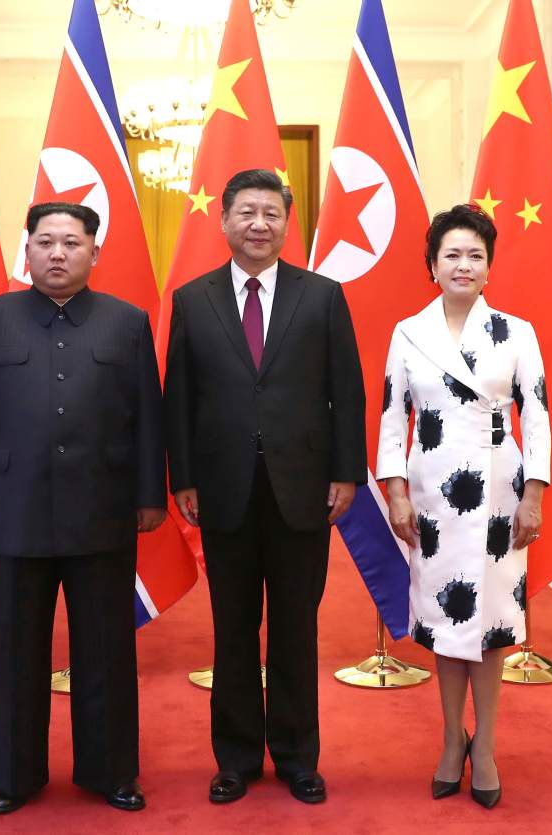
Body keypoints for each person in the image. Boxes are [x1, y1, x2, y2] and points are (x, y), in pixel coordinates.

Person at [0, 202, 165, 816]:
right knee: (14, 649)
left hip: (105, 510)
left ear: (95, 252)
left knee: (107, 651)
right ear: (28, 251)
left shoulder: (127, 322)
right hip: (14, 513)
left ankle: (111, 771)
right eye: (45, 242)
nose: (58, 253)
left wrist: (150, 494)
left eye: (72, 242)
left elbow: (149, 415)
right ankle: (13, 776)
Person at [163, 169, 367, 806]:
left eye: (271, 213)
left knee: (295, 630)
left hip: (303, 487)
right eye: (246, 212)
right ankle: (236, 760)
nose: (258, 224)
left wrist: (345, 472)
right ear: (223, 221)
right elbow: (180, 399)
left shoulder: (323, 296)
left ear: (287, 222)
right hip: (222, 489)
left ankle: (298, 758)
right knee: (232, 629)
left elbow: (347, 391)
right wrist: (185, 476)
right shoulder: (193, 300)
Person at [377, 204, 551, 810]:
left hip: (501, 491)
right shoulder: (408, 333)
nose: (463, 264)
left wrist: (534, 494)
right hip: (432, 495)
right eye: (451, 253)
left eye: (475, 254)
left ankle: (487, 747)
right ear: (432, 264)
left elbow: (539, 415)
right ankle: (452, 739)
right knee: (445, 621)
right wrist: (395, 491)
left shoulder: (517, 332)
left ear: (489, 267)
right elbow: (391, 419)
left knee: (494, 622)